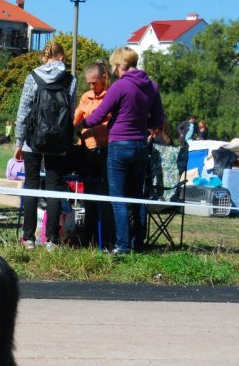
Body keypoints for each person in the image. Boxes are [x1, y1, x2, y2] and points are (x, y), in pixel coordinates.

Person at [75, 46, 166, 255]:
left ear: (119, 66)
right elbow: (158, 119)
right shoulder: (151, 86)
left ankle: (122, 246)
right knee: (137, 197)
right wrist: (142, 124)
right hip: (140, 146)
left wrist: (80, 126)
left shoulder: (120, 86)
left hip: (118, 145)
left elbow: (99, 115)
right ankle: (138, 244)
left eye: (115, 67)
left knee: (118, 197)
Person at [13, 42, 76, 251]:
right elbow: (71, 112)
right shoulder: (70, 79)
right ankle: (51, 239)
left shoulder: (33, 77)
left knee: (31, 186)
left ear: (45, 56)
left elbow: (24, 110)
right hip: (58, 142)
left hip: (33, 140)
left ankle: (28, 238)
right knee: (54, 188)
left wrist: (19, 141)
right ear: (62, 57)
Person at [73, 60, 115, 248]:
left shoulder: (111, 96)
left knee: (105, 195)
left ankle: (106, 237)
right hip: (86, 150)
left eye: (95, 82)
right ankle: (87, 236)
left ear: (104, 78)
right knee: (88, 194)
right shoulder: (85, 97)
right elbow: (76, 120)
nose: (92, 86)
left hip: (105, 149)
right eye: (89, 83)